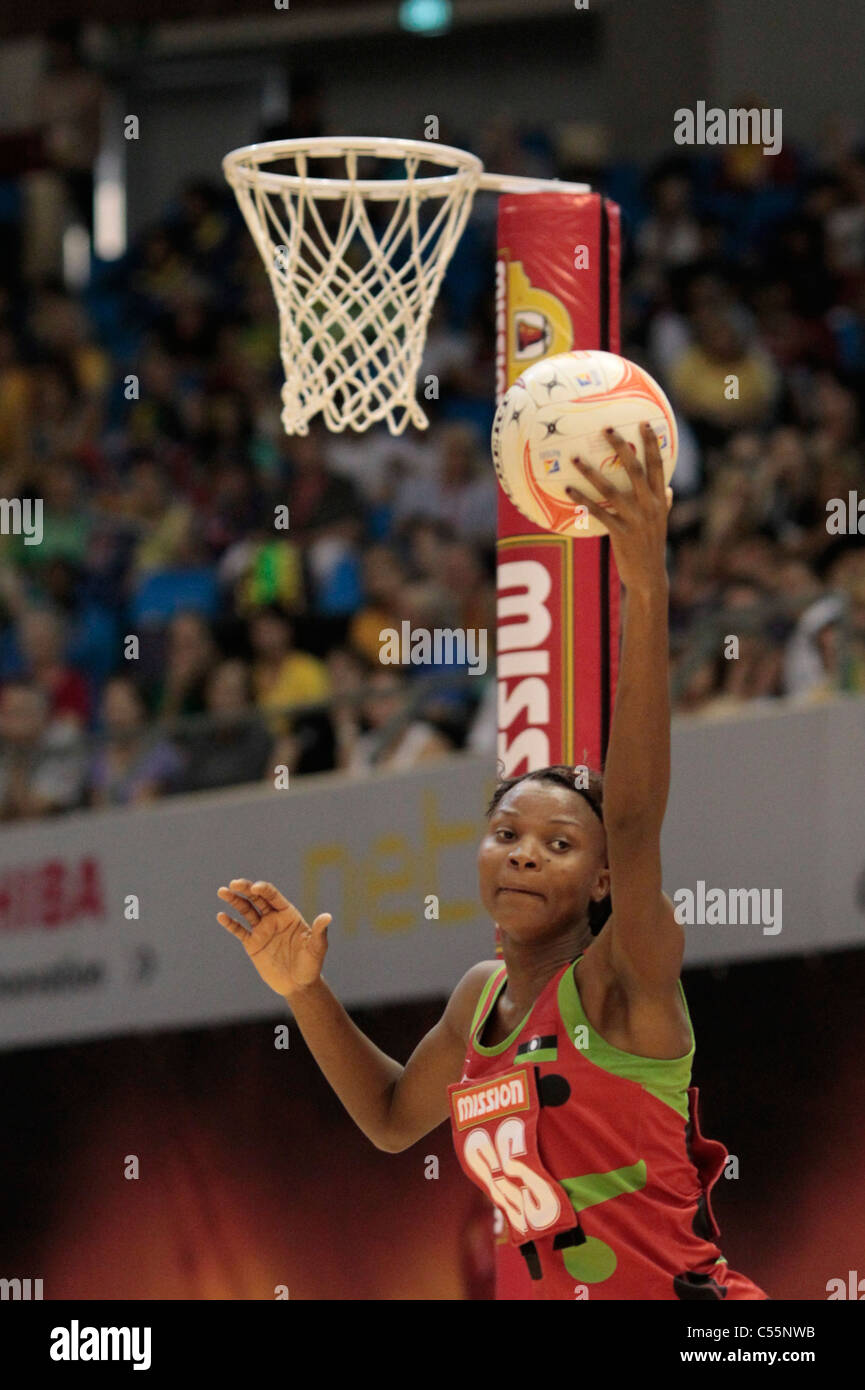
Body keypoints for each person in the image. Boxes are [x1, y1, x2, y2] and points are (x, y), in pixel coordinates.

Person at [216, 424, 768, 1300]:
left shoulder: (623, 977)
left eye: (558, 845)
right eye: (506, 833)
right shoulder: (478, 1000)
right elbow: (395, 1120)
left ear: (600, 882)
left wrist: (644, 584)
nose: (522, 856)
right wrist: (303, 992)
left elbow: (632, 819)